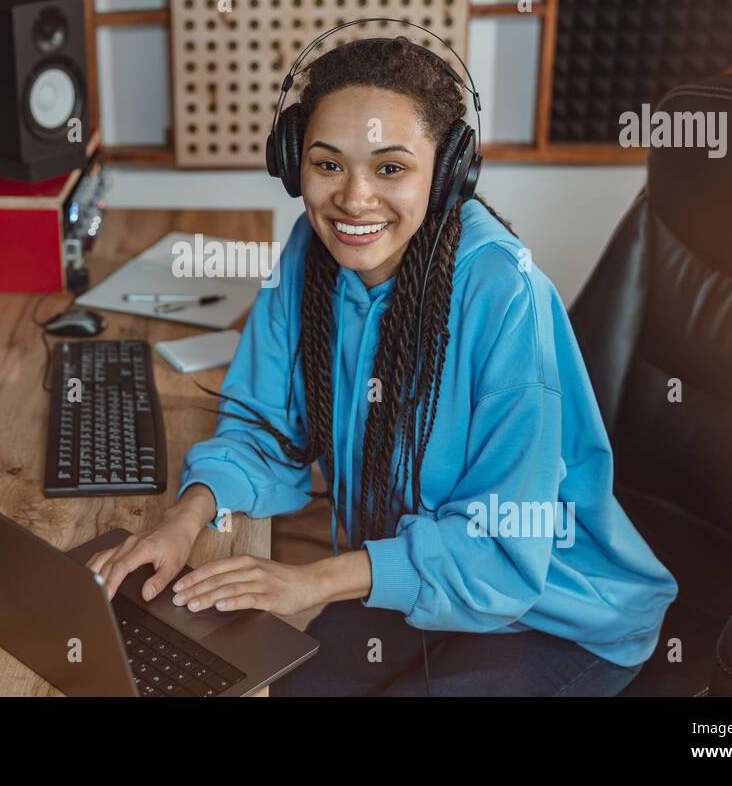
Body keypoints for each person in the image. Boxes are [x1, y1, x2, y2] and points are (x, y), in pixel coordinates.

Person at [87, 35, 678, 696]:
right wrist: (184, 518)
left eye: (390, 169)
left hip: (556, 609)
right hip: (416, 574)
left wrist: (313, 580)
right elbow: (262, 427)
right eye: (328, 165)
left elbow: (506, 556)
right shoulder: (314, 253)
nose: (354, 199)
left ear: (447, 170)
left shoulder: (506, 297)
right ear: (293, 163)